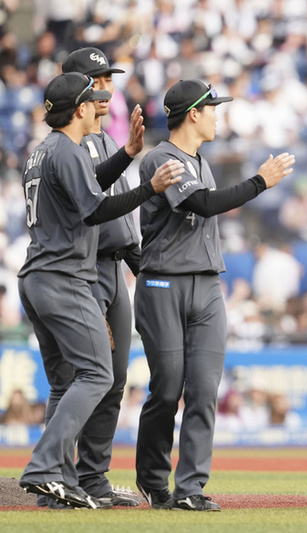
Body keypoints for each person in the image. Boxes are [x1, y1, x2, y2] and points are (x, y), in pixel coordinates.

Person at [17, 72, 183, 510]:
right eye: (93, 101)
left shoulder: (42, 152)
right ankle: (43, 469)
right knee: (98, 374)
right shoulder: (69, 150)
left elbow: (85, 188)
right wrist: (151, 187)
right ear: (80, 109)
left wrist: (127, 154)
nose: (99, 106)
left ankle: (58, 485)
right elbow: (96, 209)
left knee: (62, 384)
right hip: (65, 276)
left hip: (36, 277)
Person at [134, 79, 295, 512]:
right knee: (167, 389)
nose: (217, 114)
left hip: (206, 285)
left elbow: (206, 200)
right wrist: (260, 181)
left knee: (204, 389)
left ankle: (190, 489)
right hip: (163, 283)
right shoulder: (161, 158)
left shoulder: (199, 160)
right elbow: (203, 205)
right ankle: (152, 481)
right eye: (212, 108)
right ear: (193, 113)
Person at [46, 45, 147, 509]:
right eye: (95, 81)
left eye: (107, 80)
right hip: (81, 271)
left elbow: (122, 225)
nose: (105, 88)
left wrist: (138, 266)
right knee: (74, 378)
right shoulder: (70, 145)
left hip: (113, 268)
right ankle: (56, 480)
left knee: (114, 378)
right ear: (77, 91)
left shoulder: (108, 141)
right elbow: (92, 215)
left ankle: (92, 478)